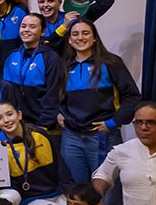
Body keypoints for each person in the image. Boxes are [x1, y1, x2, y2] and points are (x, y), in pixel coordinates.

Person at [59, 18, 140, 184]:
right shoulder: (64, 66)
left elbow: (132, 96)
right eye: (75, 34)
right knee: (79, 189)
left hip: (102, 136)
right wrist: (58, 114)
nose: (80, 38)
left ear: (94, 37)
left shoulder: (111, 63)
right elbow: (56, 97)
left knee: (107, 190)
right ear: (69, 40)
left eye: (85, 33)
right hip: (71, 138)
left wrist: (113, 122)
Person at [0, 102, 66, 205]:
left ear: (19, 115)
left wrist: (71, 196)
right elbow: (8, 190)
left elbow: (62, 170)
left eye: (9, 114)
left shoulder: (40, 135)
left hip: (58, 194)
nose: (6, 120)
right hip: (31, 201)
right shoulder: (0, 148)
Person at [1, 13, 63, 129]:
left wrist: (44, 124)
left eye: (32, 27)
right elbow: (5, 91)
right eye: (23, 26)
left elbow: (53, 95)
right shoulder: (11, 55)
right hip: (14, 124)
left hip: (40, 124)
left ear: (43, 32)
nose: (26, 30)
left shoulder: (50, 57)